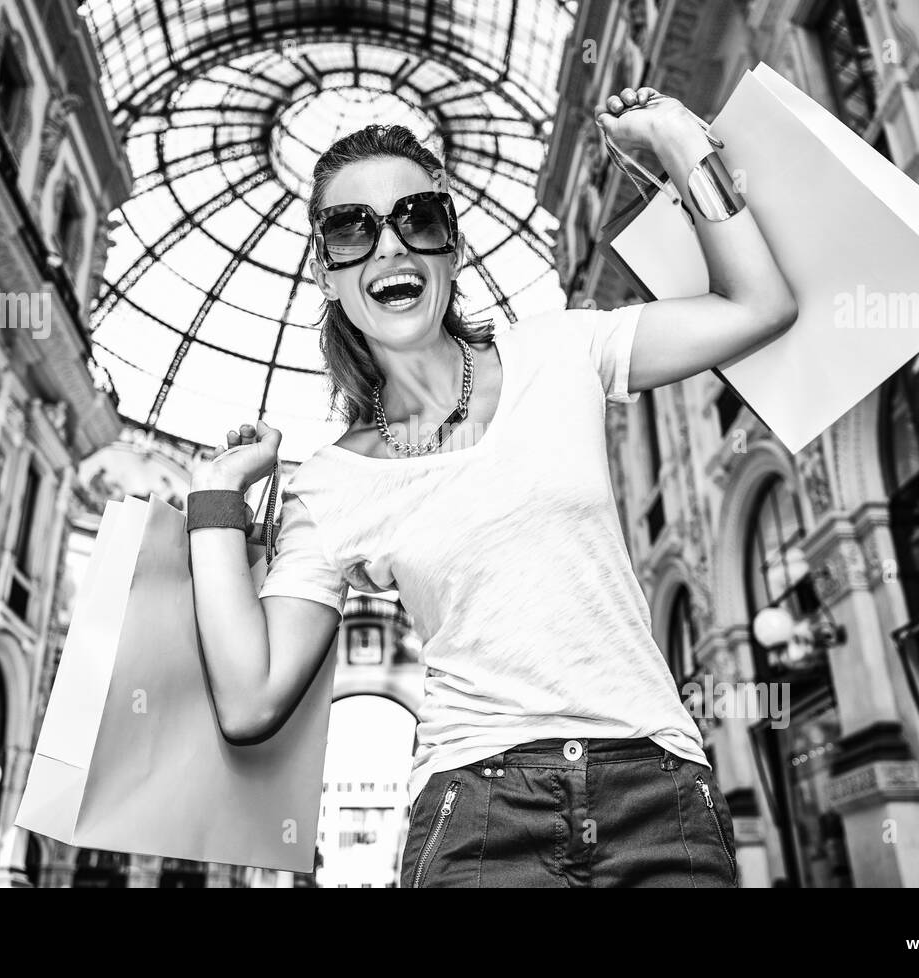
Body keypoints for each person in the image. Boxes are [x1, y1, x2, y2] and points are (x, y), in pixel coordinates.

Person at [188, 85, 797, 887]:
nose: (390, 250)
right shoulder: (331, 484)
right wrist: (217, 500)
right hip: (477, 814)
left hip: (657, 792)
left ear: (453, 247)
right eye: (351, 229)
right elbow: (250, 701)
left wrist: (681, 143)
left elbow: (761, 306)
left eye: (420, 219)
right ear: (326, 271)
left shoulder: (563, 349)